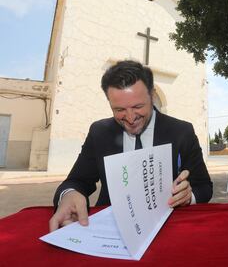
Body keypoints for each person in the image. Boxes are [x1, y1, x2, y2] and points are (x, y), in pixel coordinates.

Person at [49, 60, 212, 231]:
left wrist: (188, 196)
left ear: (152, 95)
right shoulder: (100, 132)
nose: (130, 117)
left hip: (168, 227)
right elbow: (77, 181)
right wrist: (69, 195)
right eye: (119, 110)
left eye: (138, 106)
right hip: (111, 228)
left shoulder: (181, 131)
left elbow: (204, 187)